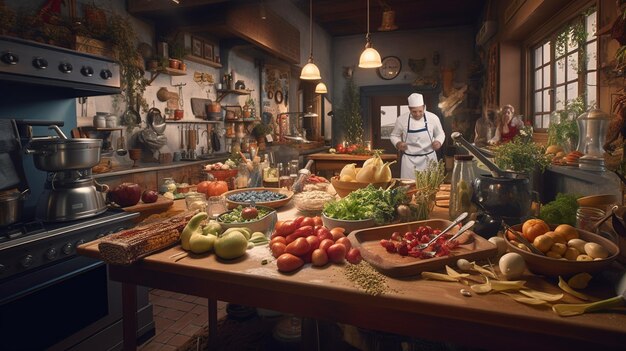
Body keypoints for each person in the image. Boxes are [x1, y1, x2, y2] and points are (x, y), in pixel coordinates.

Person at [390, 93, 445, 179]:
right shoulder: (401, 119)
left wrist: (438, 141)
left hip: (429, 159)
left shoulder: (433, 118)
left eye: (420, 111)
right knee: (408, 188)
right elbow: (394, 135)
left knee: (430, 187)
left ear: (424, 107)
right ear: (409, 108)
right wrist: (398, 143)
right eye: (414, 111)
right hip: (409, 161)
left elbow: (440, 134)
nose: (418, 114)